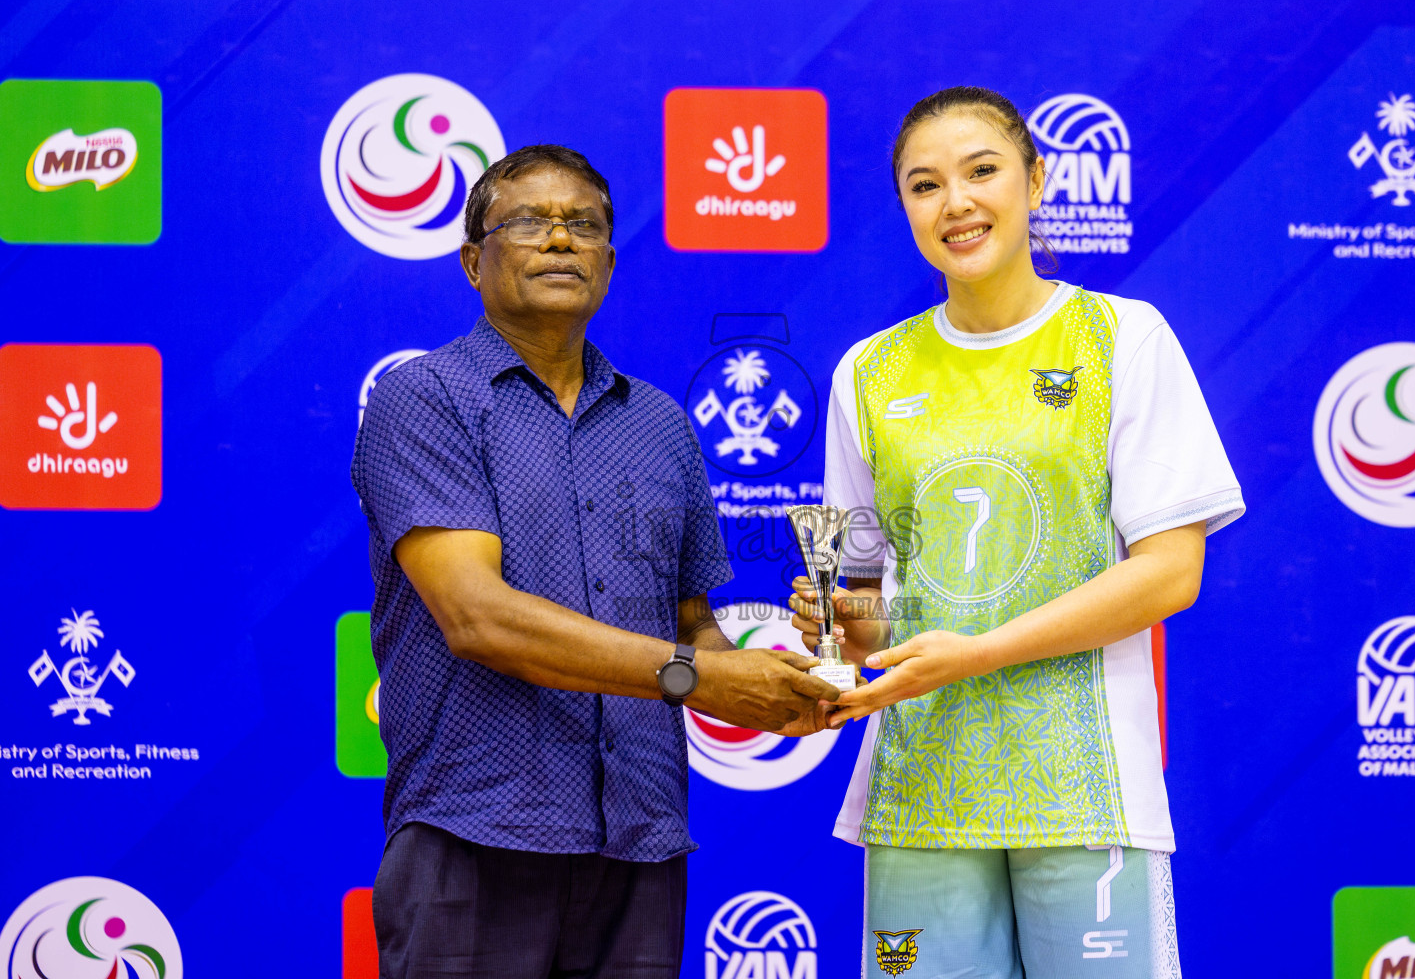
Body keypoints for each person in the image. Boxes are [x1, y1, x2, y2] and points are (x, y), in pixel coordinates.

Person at [352, 144, 842, 979]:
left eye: (583, 225)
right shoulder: (424, 397)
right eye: (529, 223)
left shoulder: (661, 424)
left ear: (609, 263)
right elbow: (478, 618)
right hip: (474, 831)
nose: (558, 240)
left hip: (640, 842)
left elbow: (695, 629)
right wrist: (701, 679)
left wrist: (779, 689)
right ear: (473, 260)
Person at [789, 88, 1244, 979]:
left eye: (982, 171)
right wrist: (832, 629)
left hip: (1085, 792)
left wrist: (982, 650)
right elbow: (862, 592)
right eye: (924, 186)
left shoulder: (1123, 338)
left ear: (1036, 181)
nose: (955, 202)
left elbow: (1168, 574)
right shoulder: (868, 373)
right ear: (906, 211)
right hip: (921, 791)